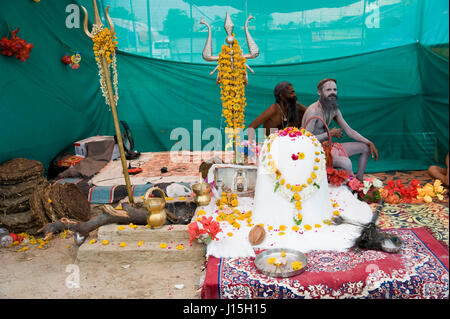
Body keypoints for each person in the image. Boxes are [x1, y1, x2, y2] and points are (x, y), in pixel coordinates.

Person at [302, 78, 378, 181]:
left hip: (328, 148)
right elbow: (305, 139)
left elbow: (349, 131)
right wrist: (329, 133)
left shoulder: (333, 109)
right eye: (328, 90)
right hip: (314, 153)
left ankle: (359, 182)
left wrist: (369, 142)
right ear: (319, 92)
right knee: (346, 162)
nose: (332, 92)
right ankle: (353, 187)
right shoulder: (313, 111)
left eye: (334, 89)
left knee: (365, 147)